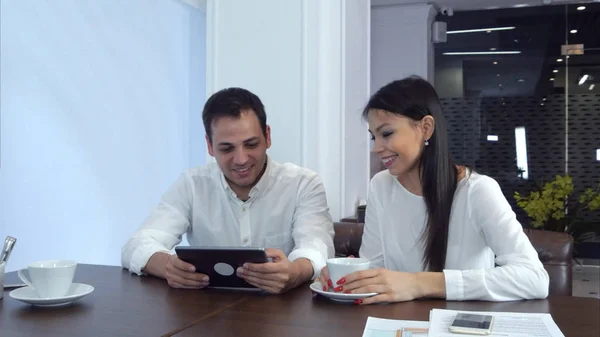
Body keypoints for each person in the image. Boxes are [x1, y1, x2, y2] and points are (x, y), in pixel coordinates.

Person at [316, 76, 549, 304]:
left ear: (426, 128)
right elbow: (376, 268)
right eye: (373, 137)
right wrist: (345, 275)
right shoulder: (380, 185)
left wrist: (419, 284)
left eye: (386, 134)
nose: (377, 148)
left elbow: (534, 278)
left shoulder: (476, 190)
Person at [122, 87, 334, 294]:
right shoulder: (192, 184)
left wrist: (295, 272)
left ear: (267, 137)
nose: (241, 159)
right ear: (210, 146)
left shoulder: (303, 184)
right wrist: (168, 266)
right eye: (227, 148)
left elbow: (317, 249)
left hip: (286, 317)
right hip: (206, 316)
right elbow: (136, 245)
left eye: (251, 144)